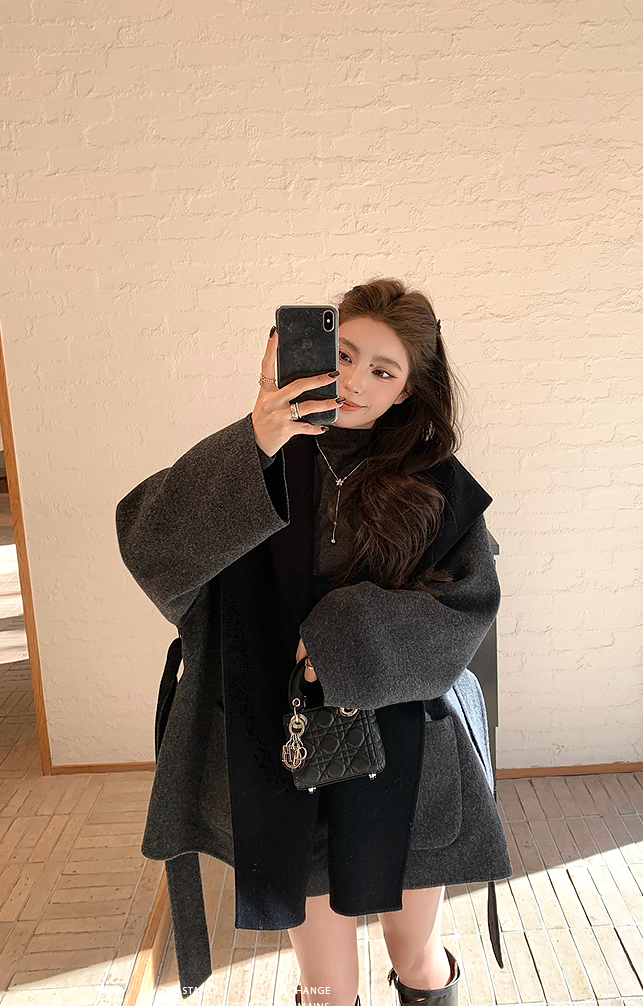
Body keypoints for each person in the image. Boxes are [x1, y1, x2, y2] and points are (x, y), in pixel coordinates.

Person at [116, 279, 511, 1006]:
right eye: (344, 354)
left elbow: (468, 605)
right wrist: (256, 441)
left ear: (407, 390)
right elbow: (154, 550)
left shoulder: (435, 483)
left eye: (383, 370)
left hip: (407, 753)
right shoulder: (255, 456)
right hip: (284, 757)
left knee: (417, 960)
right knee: (327, 988)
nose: (355, 382)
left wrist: (345, 639)